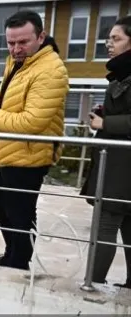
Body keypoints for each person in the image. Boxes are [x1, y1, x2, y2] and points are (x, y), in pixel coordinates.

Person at [0, 10, 68, 271]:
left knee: (21, 213)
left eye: (23, 42)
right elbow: (0, 98)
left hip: (30, 154)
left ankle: (20, 263)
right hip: (7, 151)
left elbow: (32, 123)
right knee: (1, 206)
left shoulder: (50, 70)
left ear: (41, 37)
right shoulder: (19, 62)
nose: (16, 48)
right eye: (10, 42)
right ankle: (12, 255)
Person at [81, 16, 131, 289]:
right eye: (108, 38)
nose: (108, 44)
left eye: (116, 38)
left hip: (121, 165)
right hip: (118, 162)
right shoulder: (121, 73)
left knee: (106, 226)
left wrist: (106, 123)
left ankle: (92, 282)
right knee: (126, 226)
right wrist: (106, 113)